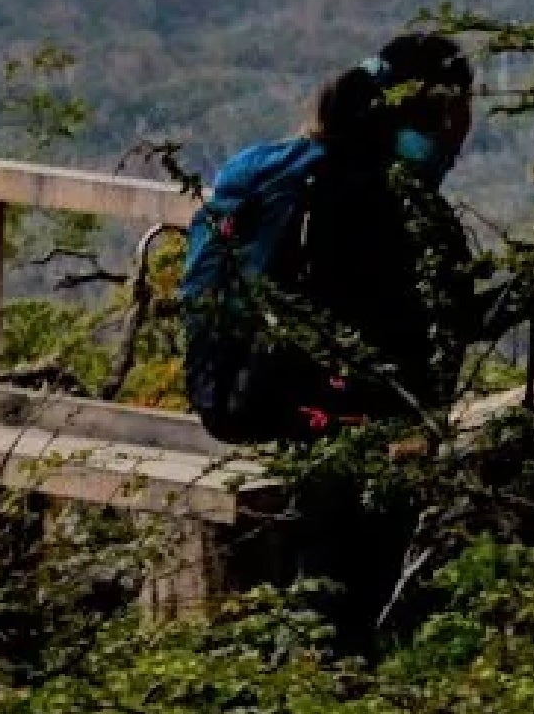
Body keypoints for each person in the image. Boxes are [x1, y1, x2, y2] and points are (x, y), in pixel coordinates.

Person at [204, 32, 503, 645]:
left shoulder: (314, 178)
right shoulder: (397, 204)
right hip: (365, 438)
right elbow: (443, 322)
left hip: (282, 407)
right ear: (444, 112)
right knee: (347, 606)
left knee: (309, 592)